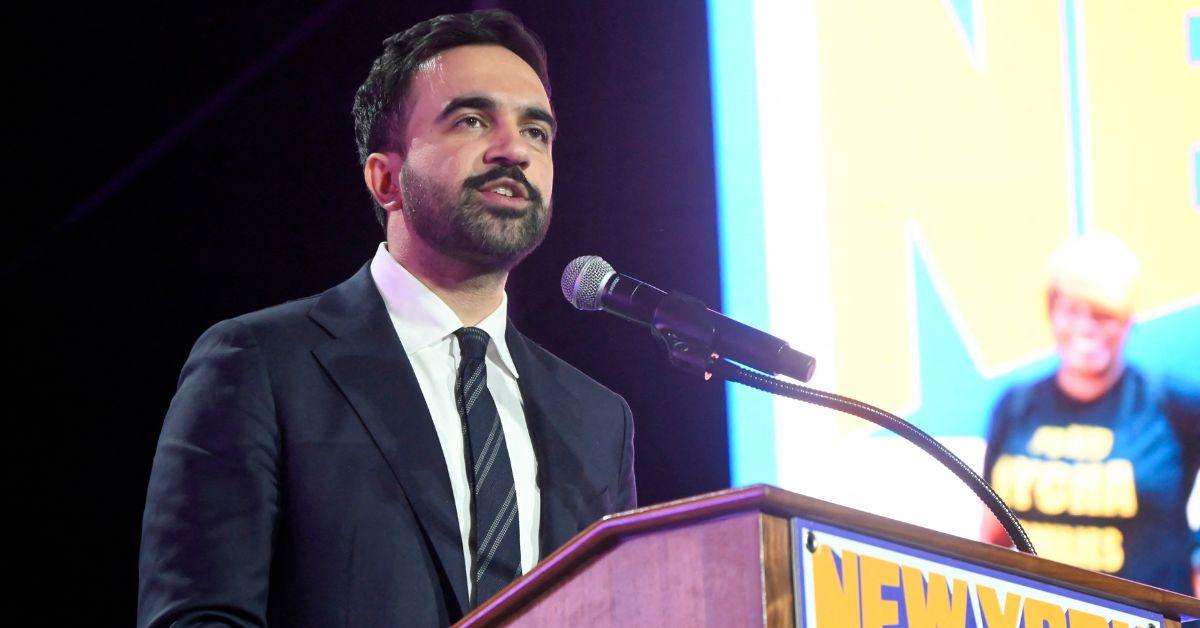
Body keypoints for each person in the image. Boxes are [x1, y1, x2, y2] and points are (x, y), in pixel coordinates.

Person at [137, 10, 636, 627]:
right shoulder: (261, 365)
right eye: (473, 120)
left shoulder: (596, 420)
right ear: (385, 178)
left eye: (536, 132)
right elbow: (198, 619)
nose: (513, 149)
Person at [981, 232, 1200, 596]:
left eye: (1103, 314)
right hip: (1037, 614)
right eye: (1071, 310)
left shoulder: (1173, 405)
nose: (1086, 327)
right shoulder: (1015, 406)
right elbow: (993, 534)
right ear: (1051, 313)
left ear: (1128, 319)